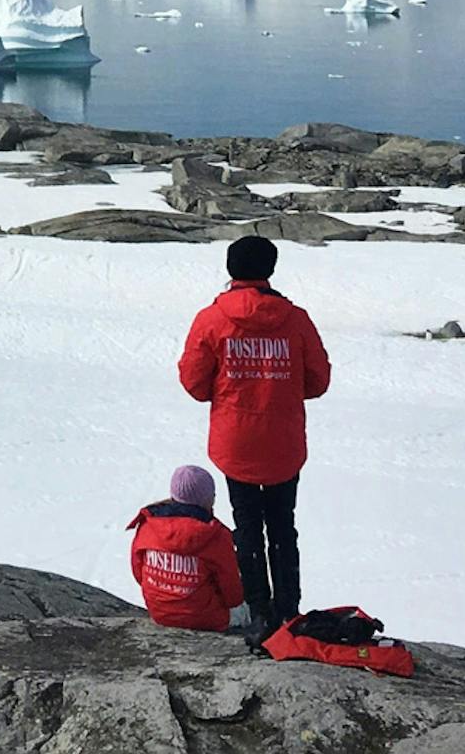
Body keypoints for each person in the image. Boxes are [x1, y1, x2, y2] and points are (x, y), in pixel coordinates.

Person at [177, 234, 330, 635]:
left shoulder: (212, 319)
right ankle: (290, 610)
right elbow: (318, 380)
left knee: (246, 526)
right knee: (283, 525)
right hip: (283, 442)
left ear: (231, 270)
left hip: (236, 441)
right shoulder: (295, 319)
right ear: (270, 270)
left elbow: (194, 384)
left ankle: (259, 610)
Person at [127, 463, 242, 631]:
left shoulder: (148, 524)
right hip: (208, 620)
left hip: (160, 614)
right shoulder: (216, 536)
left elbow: (139, 574)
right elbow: (233, 597)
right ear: (209, 499)